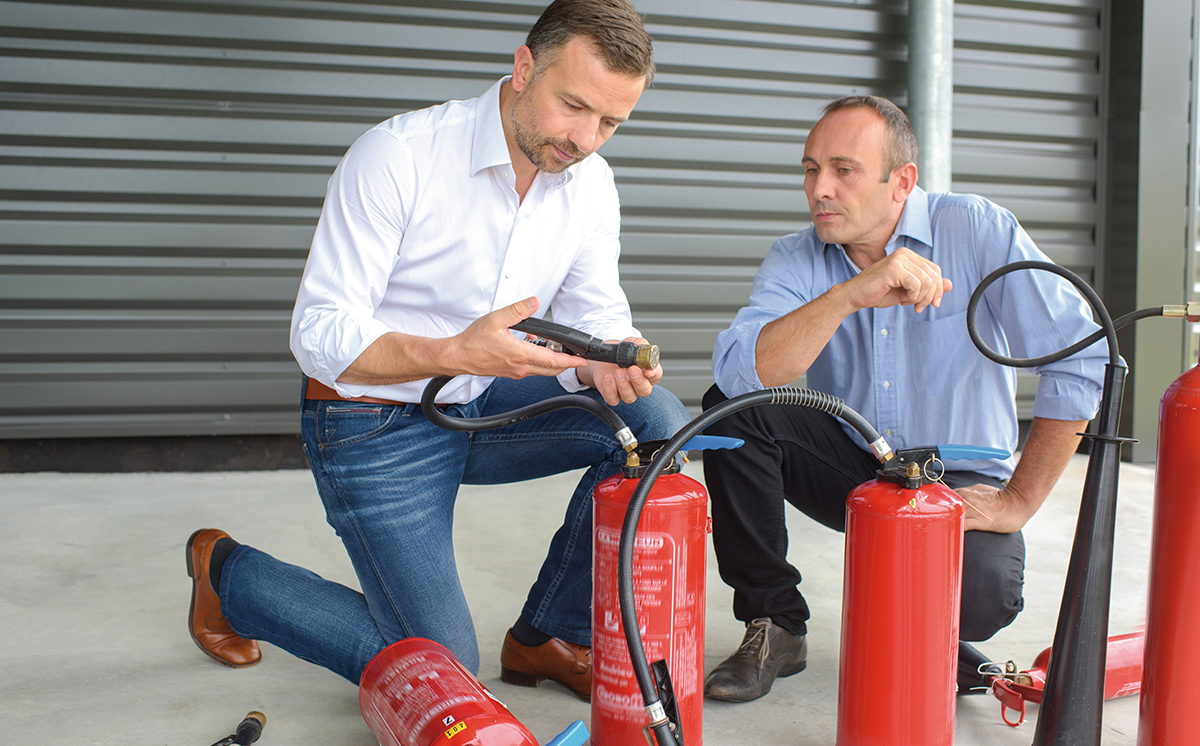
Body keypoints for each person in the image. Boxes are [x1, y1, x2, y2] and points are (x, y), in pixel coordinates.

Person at [184, 0, 689, 702]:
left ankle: (548, 634)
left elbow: (593, 310)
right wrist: (453, 351)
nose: (586, 138)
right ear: (523, 69)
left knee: (654, 420)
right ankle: (230, 577)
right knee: (446, 674)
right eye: (573, 106)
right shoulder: (400, 155)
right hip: (370, 423)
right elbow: (318, 335)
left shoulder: (590, 184)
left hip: (479, 404)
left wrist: (607, 353)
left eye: (609, 122)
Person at [700, 95, 1108, 703]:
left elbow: (1082, 356)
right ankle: (775, 621)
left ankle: (937, 628)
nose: (820, 189)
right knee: (733, 411)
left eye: (844, 170)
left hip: (957, 477)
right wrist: (849, 295)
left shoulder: (977, 229)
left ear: (902, 181)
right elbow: (742, 374)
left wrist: (1018, 501)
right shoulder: (798, 256)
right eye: (811, 170)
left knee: (982, 598)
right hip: (856, 464)